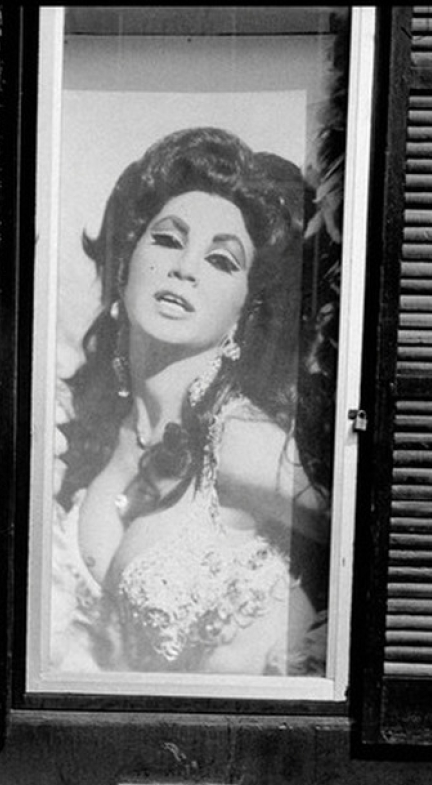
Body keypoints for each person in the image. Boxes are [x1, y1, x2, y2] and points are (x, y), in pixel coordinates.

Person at [50, 125, 332, 678]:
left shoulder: (241, 442)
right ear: (127, 261)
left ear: (244, 313)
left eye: (221, 260)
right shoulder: (97, 433)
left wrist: (296, 648)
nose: (184, 267)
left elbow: (378, 551)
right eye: (168, 239)